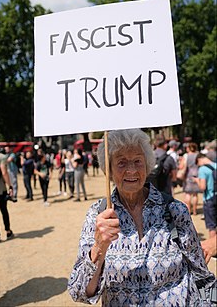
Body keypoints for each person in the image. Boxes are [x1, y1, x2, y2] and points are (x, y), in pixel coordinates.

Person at [68, 129, 215, 306]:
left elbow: (202, 276)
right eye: (121, 163)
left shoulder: (175, 210)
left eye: (138, 161)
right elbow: (80, 292)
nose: (131, 170)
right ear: (109, 170)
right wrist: (99, 246)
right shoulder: (98, 215)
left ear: (147, 165)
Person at [194, 153, 217, 238]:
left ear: (199, 159)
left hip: (209, 199)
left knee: (212, 226)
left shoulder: (202, 169)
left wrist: (197, 181)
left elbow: (202, 187)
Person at [0, 149, 14, 242]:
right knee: (3, 209)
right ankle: (8, 231)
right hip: (0, 188)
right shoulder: (1, 157)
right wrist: (10, 186)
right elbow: (4, 172)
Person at [182, 143, 201, 216]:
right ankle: (195, 211)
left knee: (188, 193)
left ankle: (189, 210)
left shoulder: (186, 156)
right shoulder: (198, 155)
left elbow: (184, 166)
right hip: (197, 174)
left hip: (188, 175)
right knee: (195, 194)